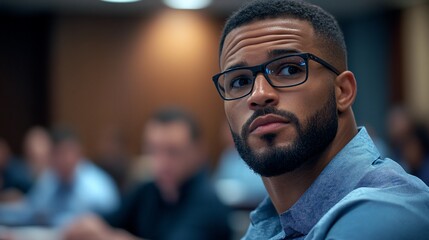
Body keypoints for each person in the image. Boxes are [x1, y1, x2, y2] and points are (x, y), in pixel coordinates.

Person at [211, 0, 429, 239]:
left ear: (343, 92)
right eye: (240, 81)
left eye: (289, 70)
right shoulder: (270, 222)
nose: (259, 95)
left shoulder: (386, 213)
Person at [64, 107, 231, 240]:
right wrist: (88, 225)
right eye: (152, 150)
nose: (161, 162)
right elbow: (109, 221)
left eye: (173, 152)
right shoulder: (147, 190)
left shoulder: (208, 202)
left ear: (198, 152)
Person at [0, 127, 119, 227]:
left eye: (68, 152)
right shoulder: (49, 180)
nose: (64, 160)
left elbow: (113, 224)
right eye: (57, 154)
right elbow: (32, 212)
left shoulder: (97, 186)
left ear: (79, 153)